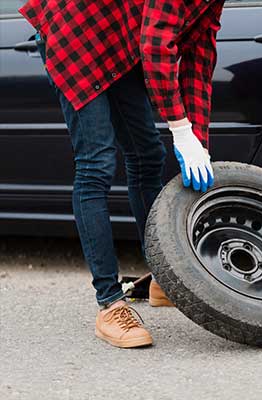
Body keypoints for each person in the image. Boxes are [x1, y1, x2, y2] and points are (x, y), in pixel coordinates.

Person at [18, 0, 225, 348]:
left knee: (147, 155)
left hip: (121, 41)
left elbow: (198, 57)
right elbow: (157, 44)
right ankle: (110, 303)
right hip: (76, 31)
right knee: (96, 163)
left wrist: (198, 141)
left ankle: (163, 276)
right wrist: (180, 127)